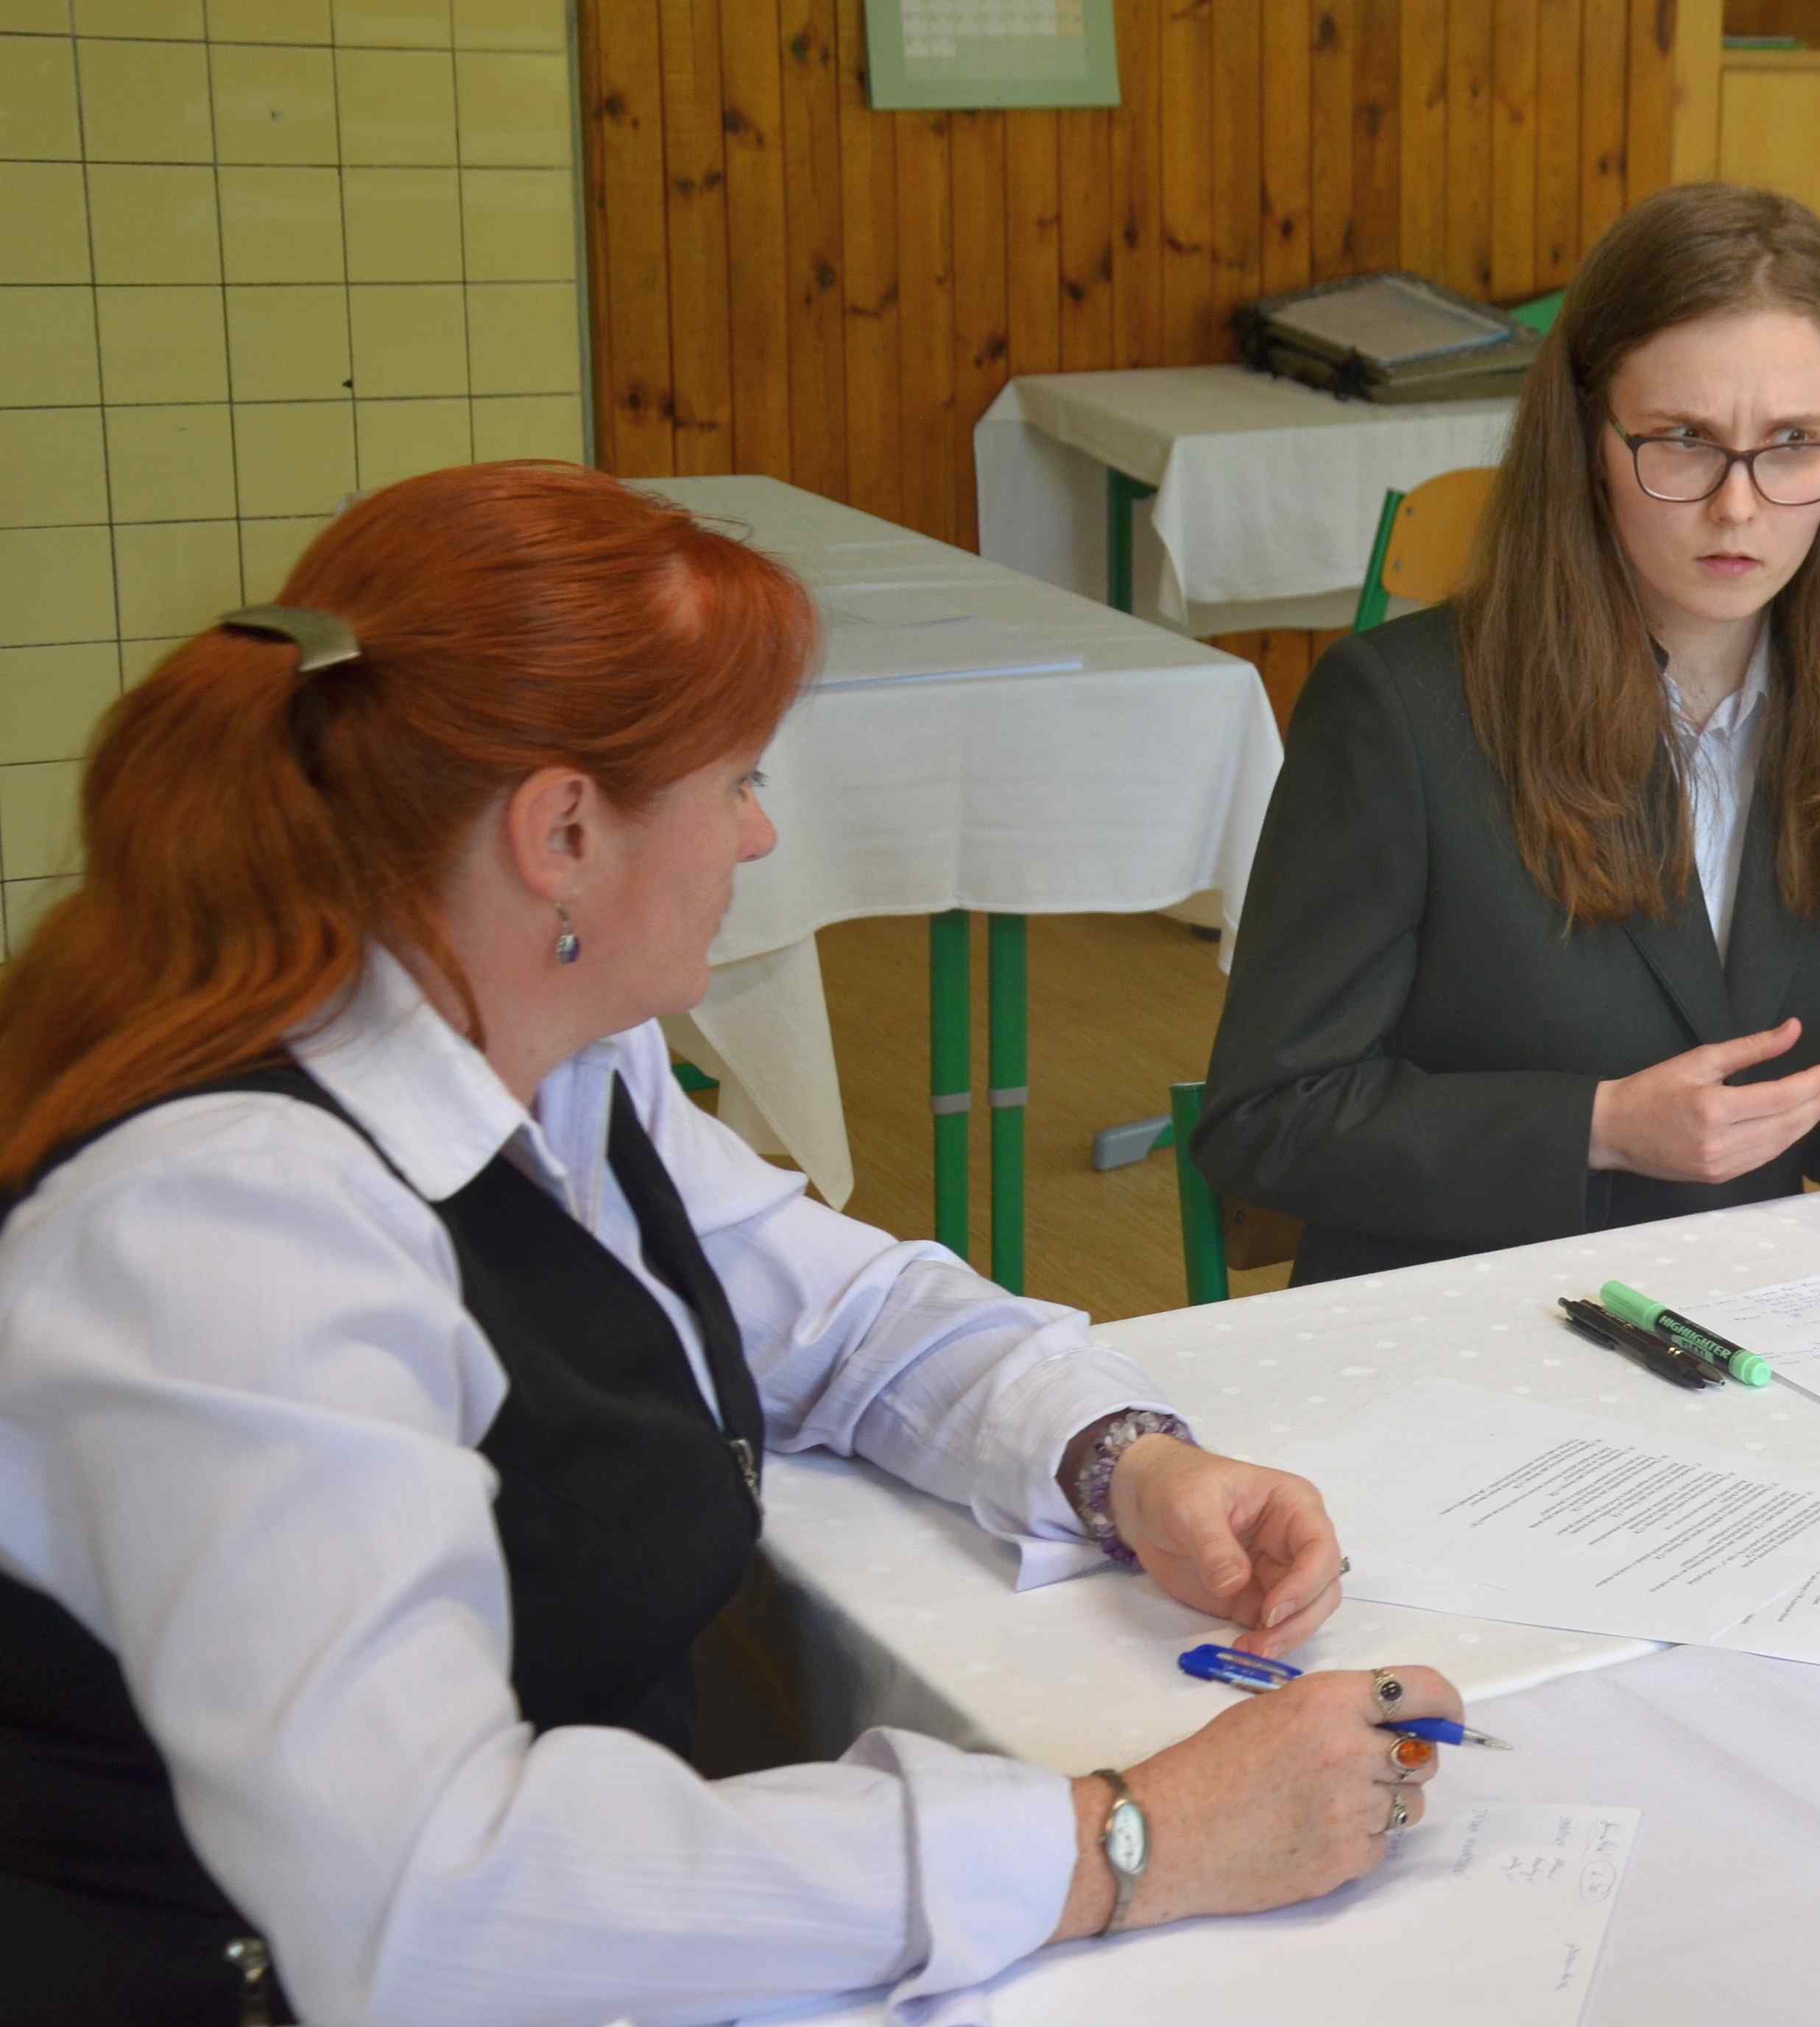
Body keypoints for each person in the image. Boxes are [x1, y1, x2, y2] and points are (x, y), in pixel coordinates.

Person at [0, 464, 1467, 2026]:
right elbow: (432, 1896)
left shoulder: (546, 1048)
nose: (761, 837)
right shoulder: (231, 1235)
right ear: (563, 831)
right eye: (738, 784)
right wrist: (1130, 1839)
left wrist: (1123, 1461)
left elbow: (841, 1317)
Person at [1198, 182, 1820, 1283]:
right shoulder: (1400, 712)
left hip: (1737, 1320)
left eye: (1793, 442)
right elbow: (1266, 1119)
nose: (1739, 507)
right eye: (1684, 440)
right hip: (1456, 1326)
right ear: (1588, 438)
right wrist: (1597, 1128)